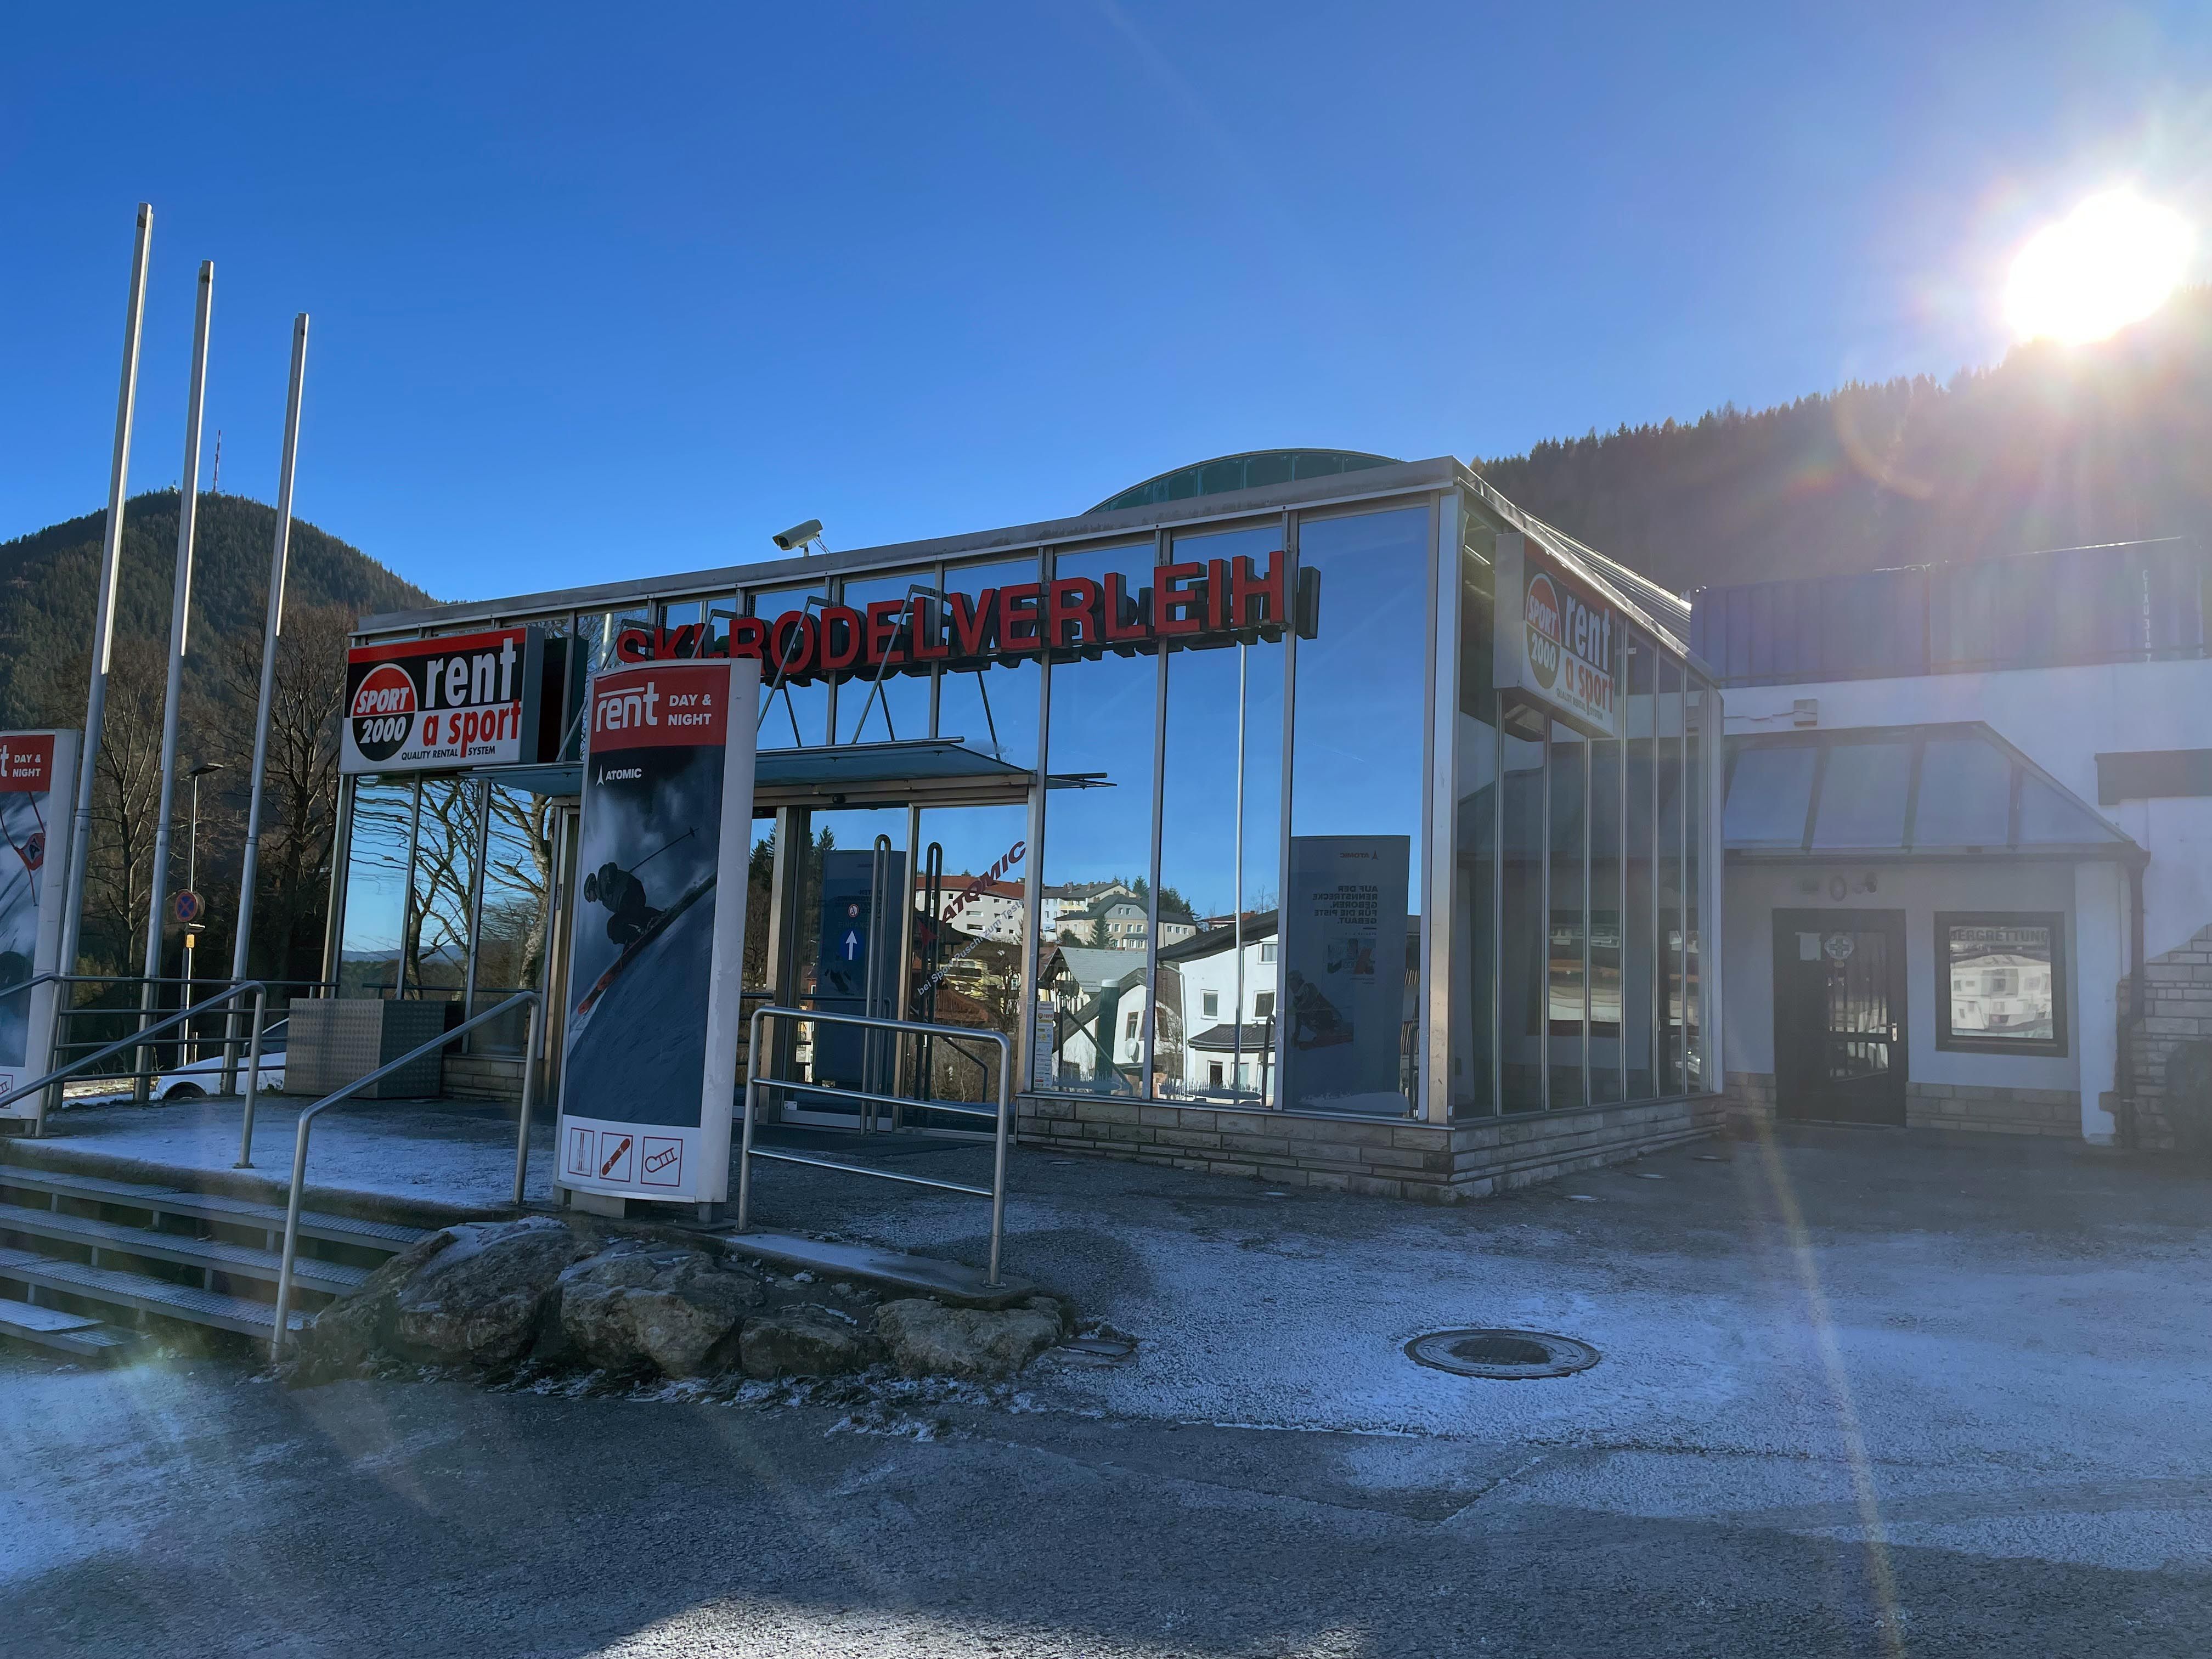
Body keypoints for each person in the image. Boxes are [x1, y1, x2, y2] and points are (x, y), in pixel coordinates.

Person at [584, 860, 659, 947]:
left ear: (591, 888)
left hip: (631, 891)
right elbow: (624, 914)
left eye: (588, 896)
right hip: (630, 903)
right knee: (624, 919)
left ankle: (635, 936)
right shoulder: (605, 902)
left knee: (613, 924)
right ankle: (644, 927)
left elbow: (612, 867)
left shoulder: (602, 878)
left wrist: (611, 882)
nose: (591, 900)